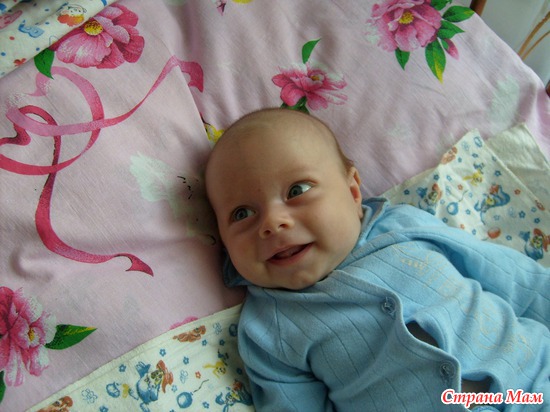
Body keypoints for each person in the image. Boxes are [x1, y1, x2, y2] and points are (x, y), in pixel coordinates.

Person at [205, 108, 549, 411]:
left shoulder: (404, 226)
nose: (272, 223)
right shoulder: (267, 330)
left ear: (353, 191)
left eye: (297, 191)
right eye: (242, 213)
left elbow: (517, 280)